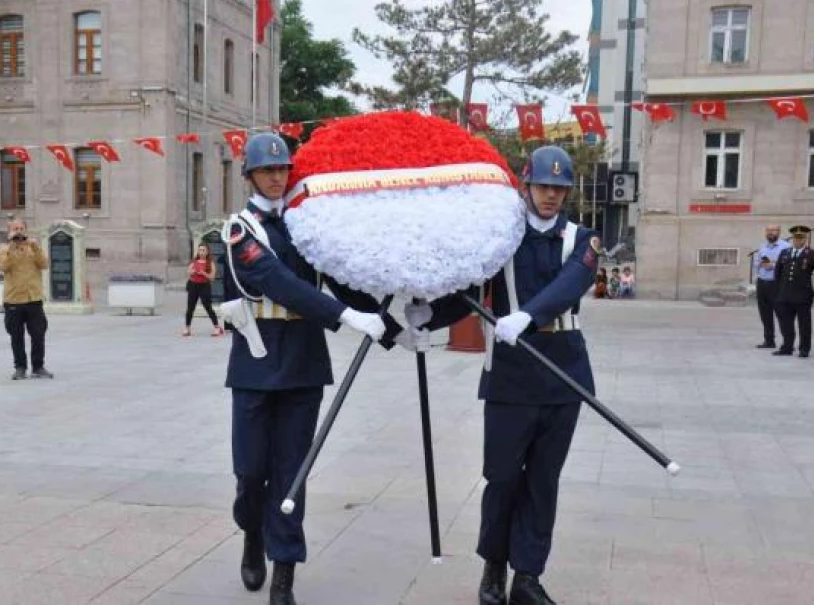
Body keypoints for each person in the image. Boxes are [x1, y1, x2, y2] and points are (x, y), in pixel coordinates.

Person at [401, 145, 598, 605]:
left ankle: (527, 575)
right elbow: (467, 290)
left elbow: (573, 283)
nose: (551, 195)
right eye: (543, 186)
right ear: (525, 186)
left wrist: (527, 315)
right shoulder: (500, 239)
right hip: (510, 376)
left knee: (543, 480)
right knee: (502, 477)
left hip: (563, 372)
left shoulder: (581, 239)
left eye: (559, 188)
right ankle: (494, 566)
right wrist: (425, 313)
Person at [223, 133, 401, 605]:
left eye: (283, 170)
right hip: (256, 364)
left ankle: (284, 575)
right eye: (268, 171)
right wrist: (345, 318)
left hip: (303, 362)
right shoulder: (240, 230)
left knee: (291, 473)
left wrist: (393, 328)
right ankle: (251, 532)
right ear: (251, 176)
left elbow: (342, 281)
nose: (278, 177)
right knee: (250, 472)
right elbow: (278, 283)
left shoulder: (310, 225)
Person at [0, 219, 53, 380]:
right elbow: (3, 267)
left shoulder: (33, 248)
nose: (19, 231)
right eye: (15, 229)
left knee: (38, 334)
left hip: (33, 298)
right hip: (13, 299)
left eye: (21, 228)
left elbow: (44, 264)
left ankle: (38, 366)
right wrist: (12, 246)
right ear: (9, 231)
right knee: (16, 336)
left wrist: (34, 246)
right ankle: (20, 367)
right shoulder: (4, 249)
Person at [773, 225, 814, 358]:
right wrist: (778, 291)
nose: (798, 240)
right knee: (786, 323)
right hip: (785, 295)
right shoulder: (784, 253)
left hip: (803, 296)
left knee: (804, 325)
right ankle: (787, 347)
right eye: (796, 238)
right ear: (793, 239)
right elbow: (777, 273)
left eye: (801, 238)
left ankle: (804, 349)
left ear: (805, 239)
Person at [753, 225, 790, 348]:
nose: (770, 233)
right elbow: (756, 263)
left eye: (773, 231)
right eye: (768, 230)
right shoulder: (762, 246)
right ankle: (769, 340)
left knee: (782, 314)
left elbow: (787, 266)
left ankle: (787, 342)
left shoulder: (786, 247)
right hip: (762, 282)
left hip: (777, 284)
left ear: (779, 232)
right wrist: (760, 267)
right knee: (765, 314)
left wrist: (772, 265)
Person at [183, 243, 223, 336]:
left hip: (204, 286)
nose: (201, 252)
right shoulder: (194, 262)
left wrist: (204, 274)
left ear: (207, 252)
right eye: (200, 250)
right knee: (190, 307)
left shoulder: (210, 263)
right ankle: (187, 328)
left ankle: (216, 327)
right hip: (193, 285)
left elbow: (212, 277)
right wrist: (192, 272)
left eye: (203, 250)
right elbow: (188, 273)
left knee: (208, 307)